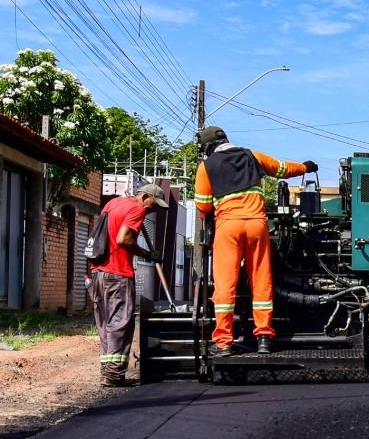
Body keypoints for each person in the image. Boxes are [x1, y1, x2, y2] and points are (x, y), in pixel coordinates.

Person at [194, 126, 316, 356]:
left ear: (208, 146)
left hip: (228, 228)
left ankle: (224, 342)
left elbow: (202, 206)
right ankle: (263, 338)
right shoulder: (252, 155)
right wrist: (306, 167)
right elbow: (282, 168)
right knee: (261, 280)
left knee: (225, 285)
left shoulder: (206, 167)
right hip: (257, 225)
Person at [90, 183, 169, 386]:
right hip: (118, 274)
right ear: (144, 197)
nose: (154, 209)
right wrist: (149, 255)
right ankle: (114, 374)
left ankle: (108, 372)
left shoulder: (114, 203)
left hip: (99, 274)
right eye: (154, 204)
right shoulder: (137, 208)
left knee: (106, 325)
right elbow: (123, 239)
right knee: (121, 324)